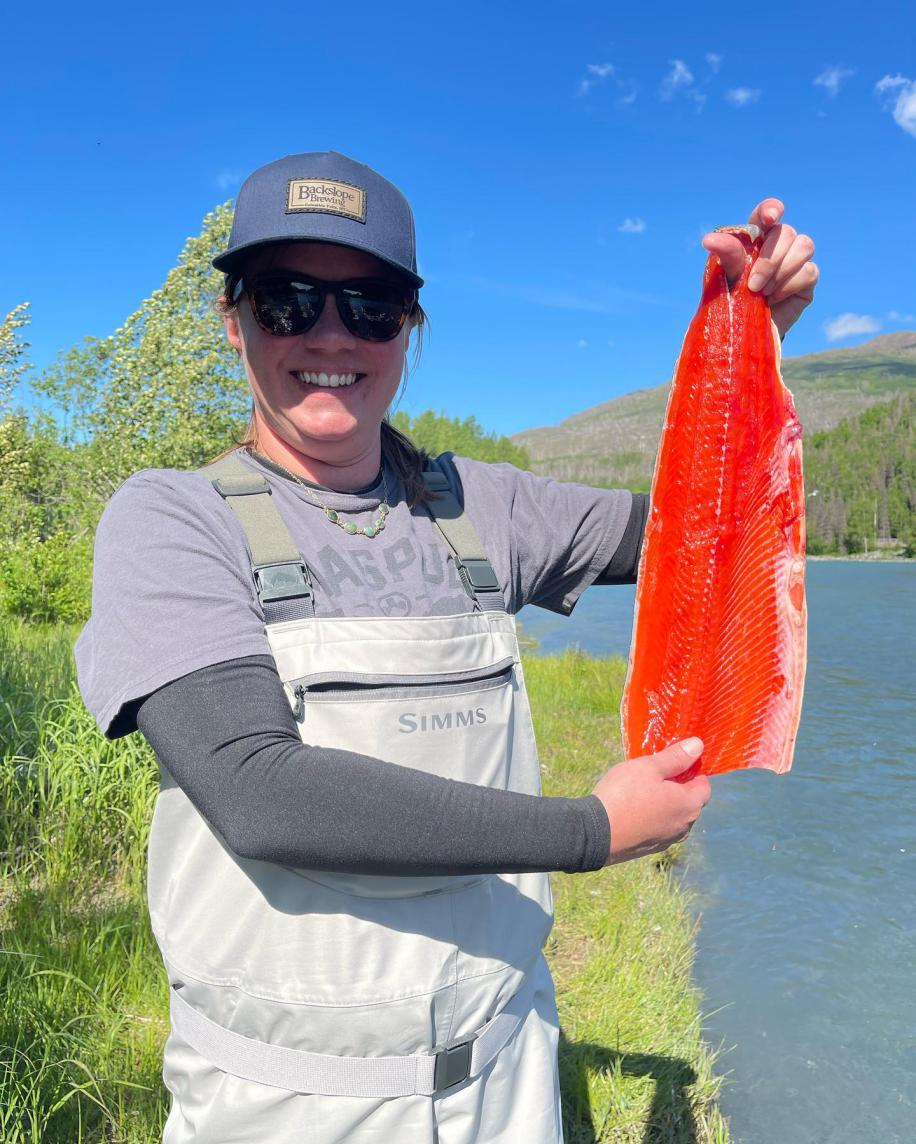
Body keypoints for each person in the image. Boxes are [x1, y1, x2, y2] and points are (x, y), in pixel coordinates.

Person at [76, 151, 817, 1143]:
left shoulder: (486, 505)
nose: (331, 335)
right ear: (234, 320)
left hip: (508, 1083)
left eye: (371, 304)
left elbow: (705, 535)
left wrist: (748, 341)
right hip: (285, 1106)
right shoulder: (170, 519)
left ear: (409, 327)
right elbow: (257, 789)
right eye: (288, 301)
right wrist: (591, 829)